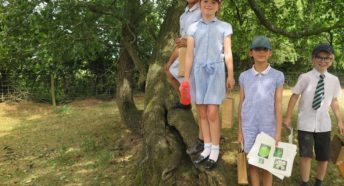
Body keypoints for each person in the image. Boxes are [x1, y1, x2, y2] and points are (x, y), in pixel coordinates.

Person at [183, 0, 235, 170]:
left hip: (216, 72)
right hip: (197, 73)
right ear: (201, 4)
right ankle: (206, 148)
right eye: (206, 1)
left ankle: (215, 150)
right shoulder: (192, 28)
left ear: (218, 6)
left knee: (212, 112)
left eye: (214, 2)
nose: (209, 5)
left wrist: (231, 74)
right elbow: (189, 54)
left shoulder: (224, 27)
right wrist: (185, 78)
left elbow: (227, 53)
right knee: (202, 112)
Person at [284, 44, 344, 186]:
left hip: (324, 125)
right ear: (313, 59)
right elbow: (294, 96)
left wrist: (340, 121)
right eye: (319, 57)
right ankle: (304, 183)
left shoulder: (334, 80)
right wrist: (287, 117)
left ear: (331, 60)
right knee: (306, 155)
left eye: (327, 58)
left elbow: (334, 101)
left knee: (323, 157)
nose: (323, 61)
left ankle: (319, 182)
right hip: (306, 123)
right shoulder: (305, 77)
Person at [238, 36, 284, 185]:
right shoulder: (244, 76)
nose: (261, 52)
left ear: (270, 53)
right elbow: (241, 103)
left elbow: (278, 104)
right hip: (249, 126)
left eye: (265, 49)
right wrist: (240, 131)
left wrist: (278, 132)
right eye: (257, 49)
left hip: (268, 127)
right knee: (252, 162)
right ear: (251, 52)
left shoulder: (277, 76)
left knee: (266, 164)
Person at [163, 0, 204, 156]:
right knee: (169, 73)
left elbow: (209, 35)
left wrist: (191, 41)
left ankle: (207, 141)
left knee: (202, 104)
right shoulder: (183, 16)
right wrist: (170, 61)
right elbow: (182, 43)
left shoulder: (203, 9)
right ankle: (185, 102)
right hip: (185, 55)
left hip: (199, 57)